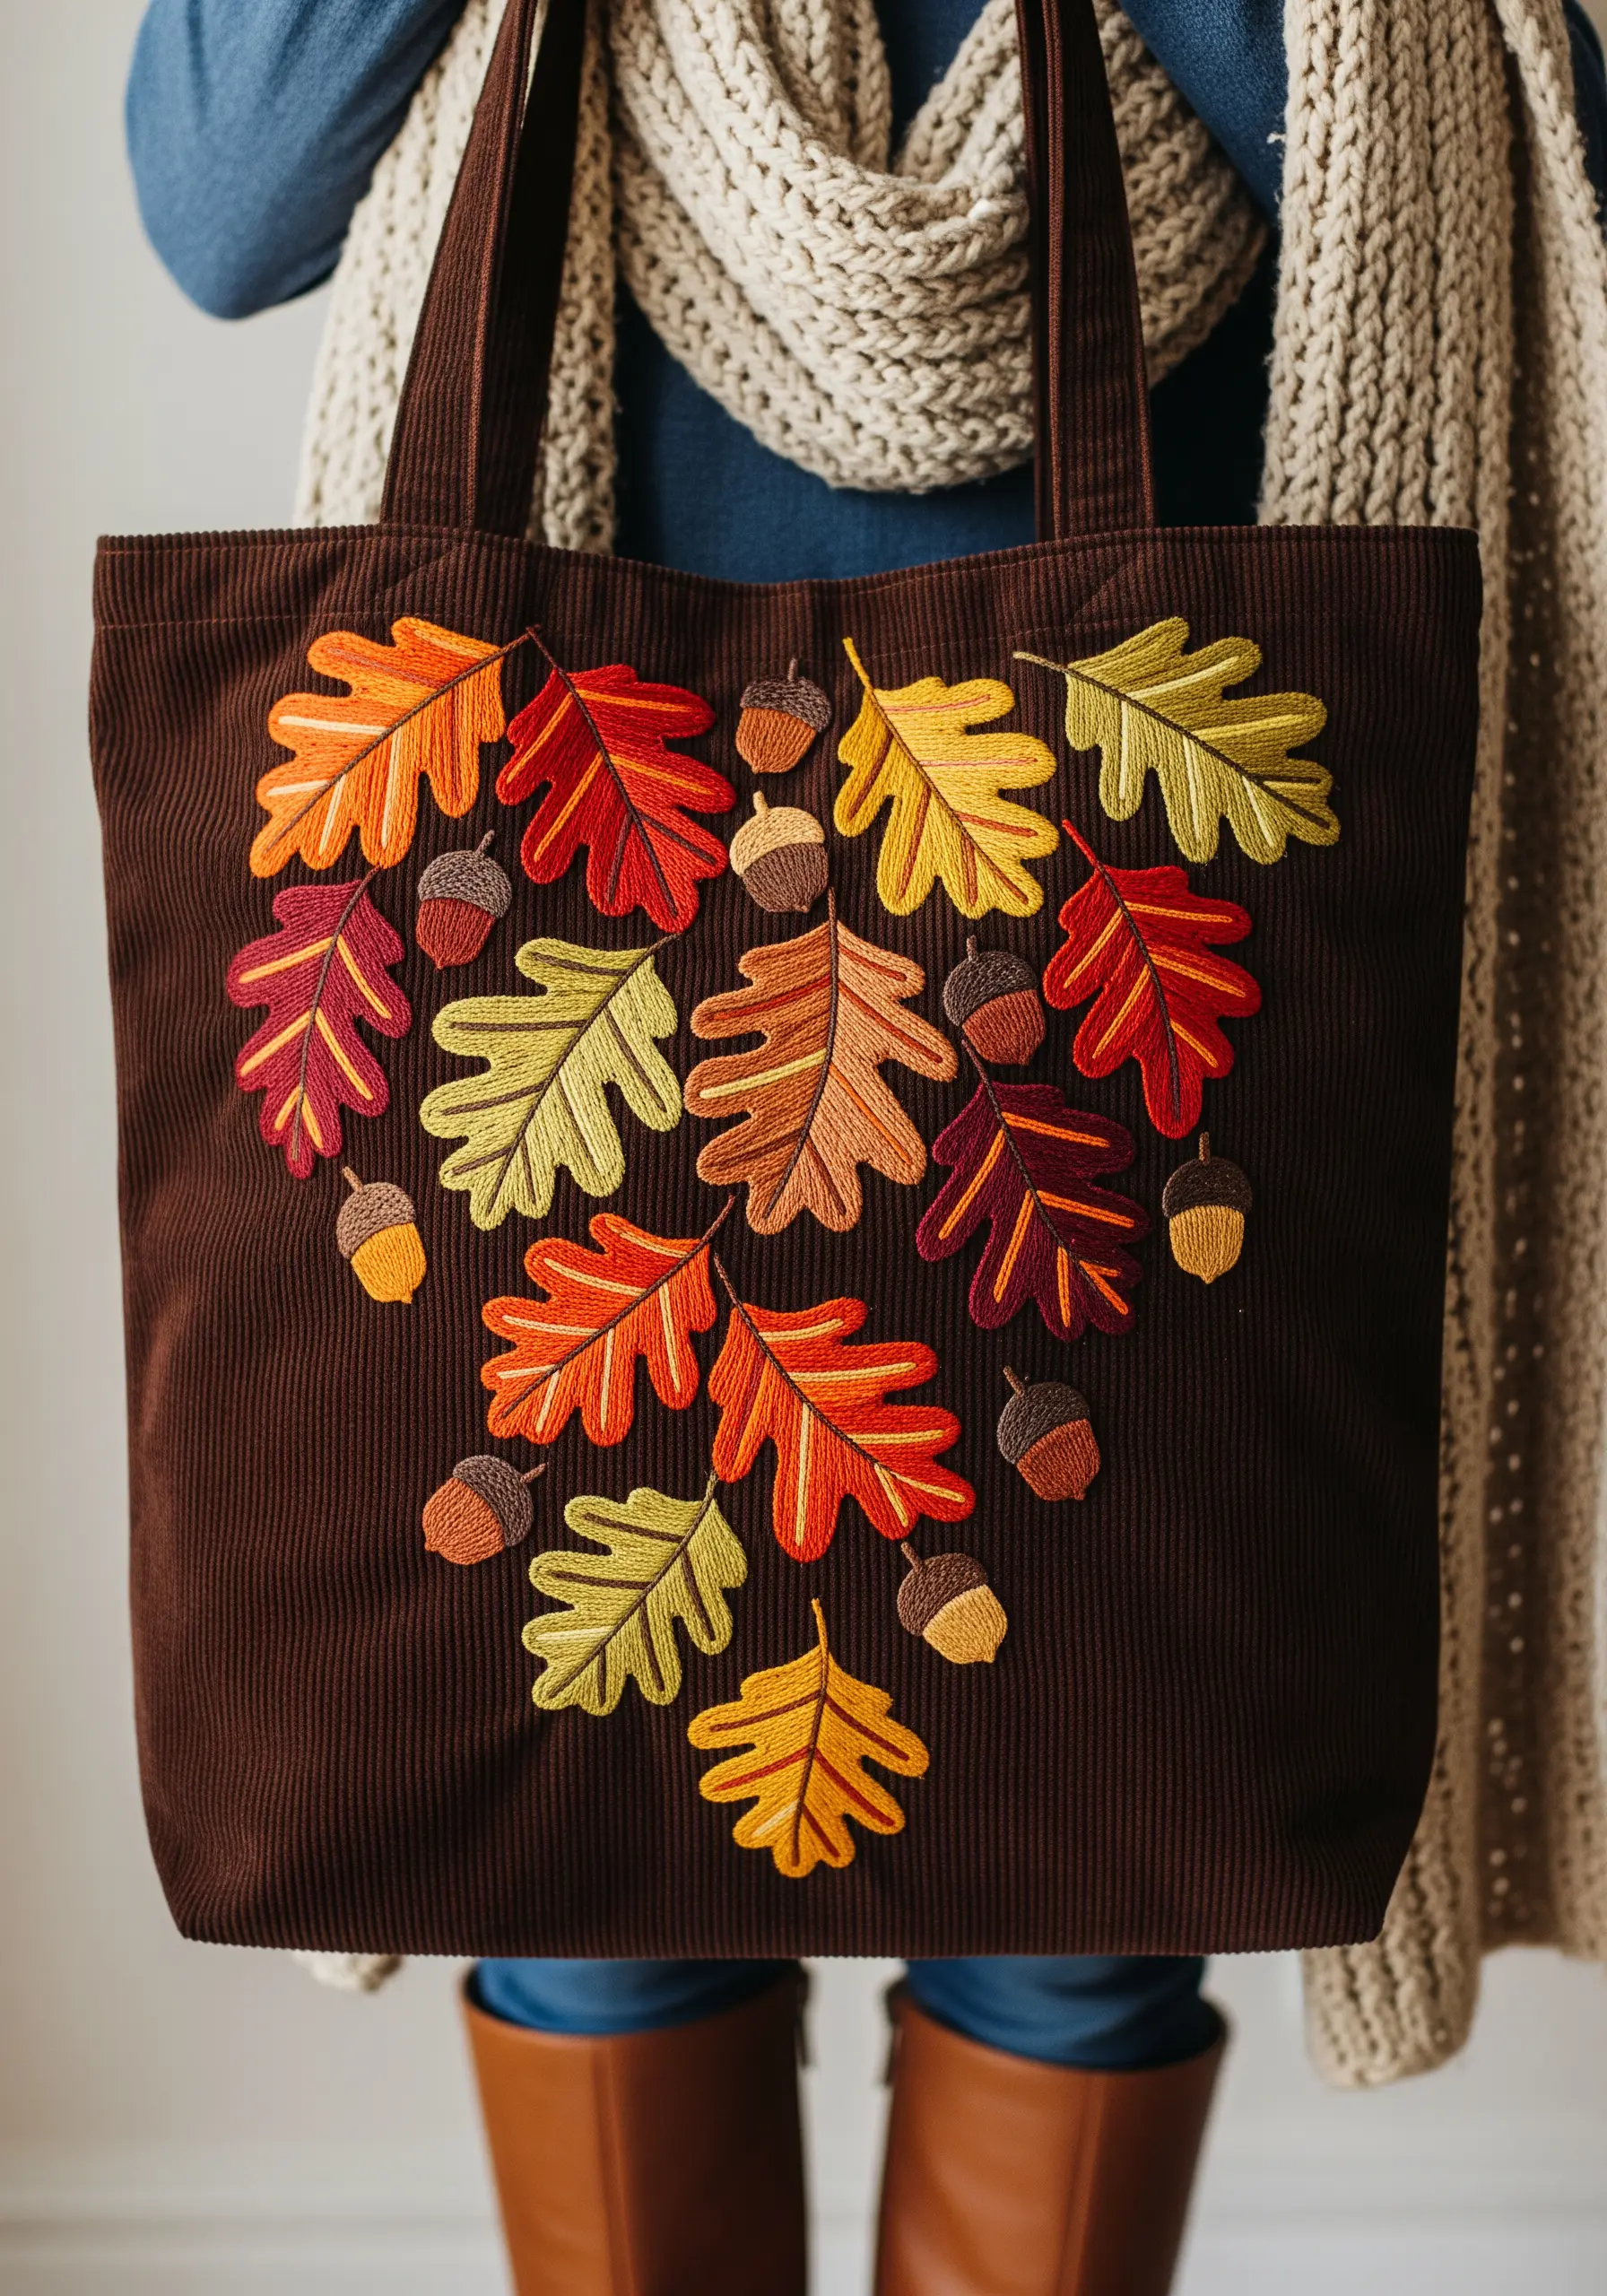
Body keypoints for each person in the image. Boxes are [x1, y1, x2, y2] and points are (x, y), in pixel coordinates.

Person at [123, 4, 1607, 2292]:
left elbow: (1490, 153)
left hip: (1133, 880)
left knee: (1099, 1870)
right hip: (571, 849)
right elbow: (220, 201)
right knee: (586, 1889)